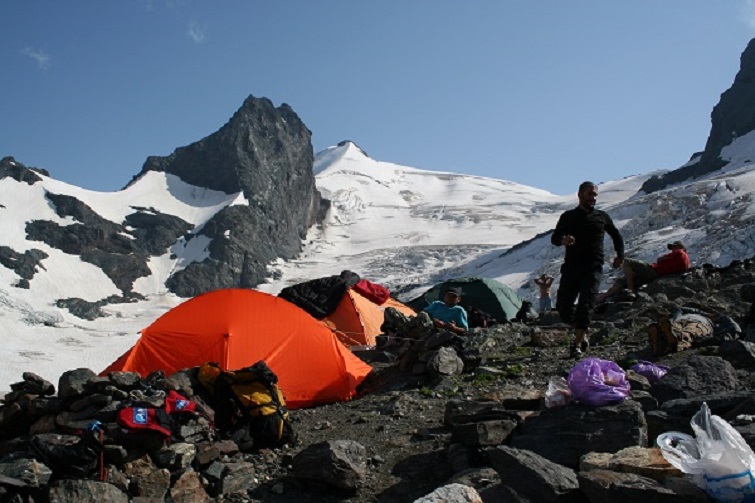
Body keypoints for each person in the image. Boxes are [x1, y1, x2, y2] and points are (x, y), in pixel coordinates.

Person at [551, 181, 624, 357]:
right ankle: (581, 328)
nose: (593, 198)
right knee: (563, 306)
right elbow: (555, 237)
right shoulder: (568, 216)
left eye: (595, 195)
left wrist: (619, 255)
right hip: (571, 267)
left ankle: (578, 342)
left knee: (586, 303)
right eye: (590, 194)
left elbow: (616, 235)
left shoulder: (601, 216)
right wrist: (563, 240)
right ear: (580, 195)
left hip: (593, 266)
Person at [596, 241, 691, 303]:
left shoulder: (679, 252)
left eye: (673, 247)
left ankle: (630, 290)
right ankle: (604, 296)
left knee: (627, 262)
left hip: (653, 271)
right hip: (655, 275)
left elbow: (659, 259)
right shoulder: (686, 260)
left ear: (680, 247)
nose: (672, 249)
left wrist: (663, 258)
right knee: (622, 280)